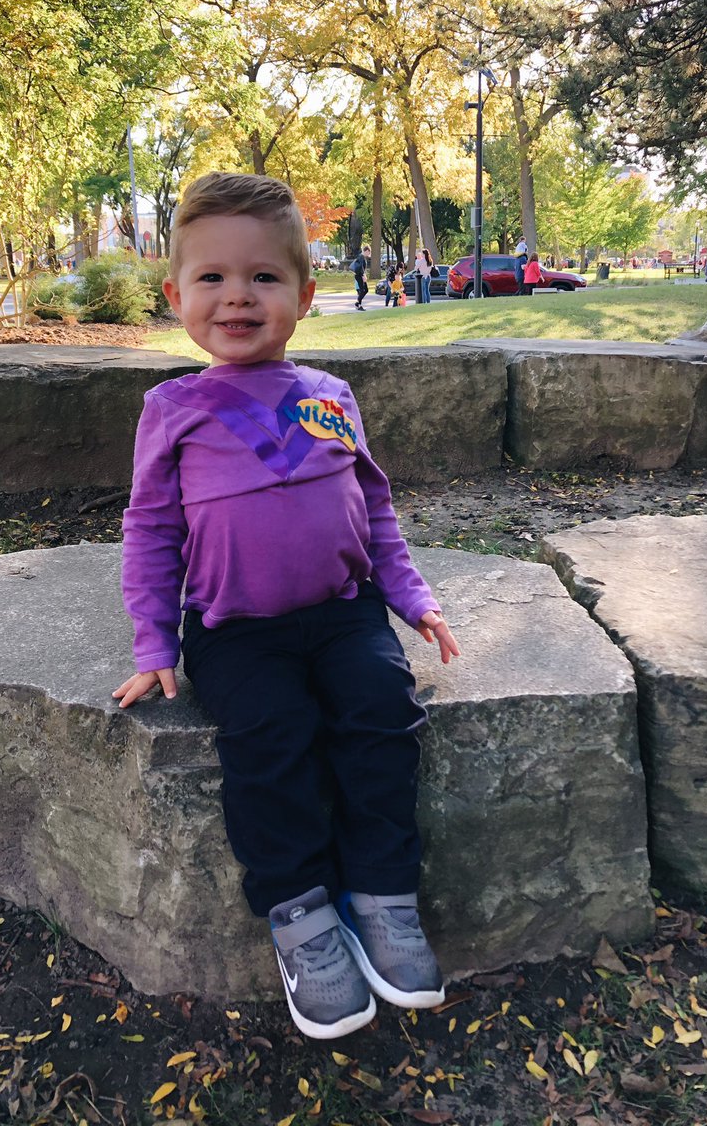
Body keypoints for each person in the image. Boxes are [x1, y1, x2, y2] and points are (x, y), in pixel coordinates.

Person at [114, 172, 461, 1042]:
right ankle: (301, 914)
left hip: (347, 615)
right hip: (237, 634)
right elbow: (151, 529)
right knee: (270, 744)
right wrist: (155, 640)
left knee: (381, 714)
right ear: (176, 297)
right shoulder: (174, 408)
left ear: (305, 295)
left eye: (264, 277)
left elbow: (372, 510)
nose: (238, 296)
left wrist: (410, 598)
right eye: (213, 279)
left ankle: (382, 894)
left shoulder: (331, 396)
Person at [351, 244, 370, 310]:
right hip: (359, 276)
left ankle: (358, 303)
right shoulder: (361, 257)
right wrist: (363, 276)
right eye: (369, 252)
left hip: (360, 275)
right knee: (363, 290)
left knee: (365, 290)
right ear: (366, 251)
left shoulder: (362, 257)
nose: (369, 254)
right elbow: (361, 267)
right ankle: (358, 304)